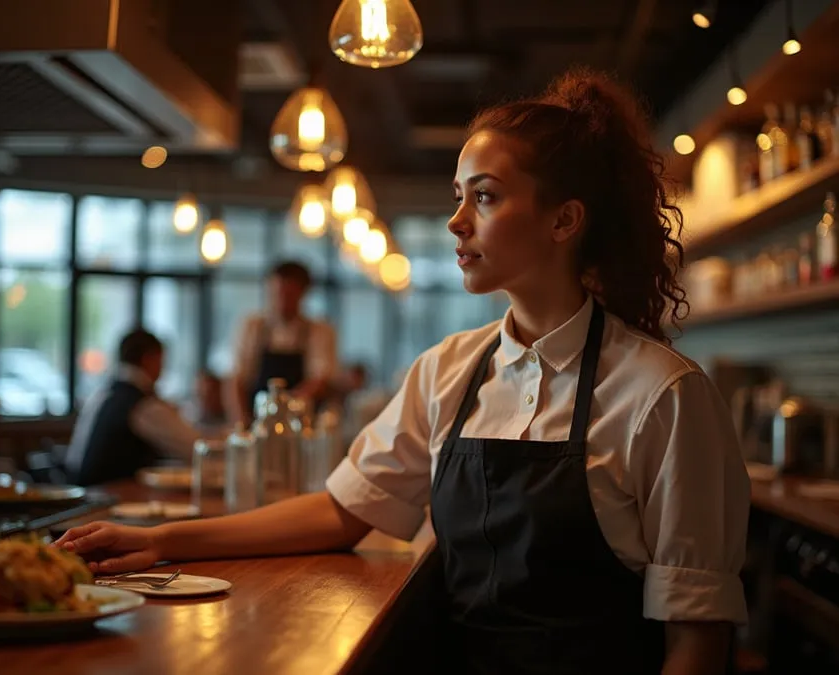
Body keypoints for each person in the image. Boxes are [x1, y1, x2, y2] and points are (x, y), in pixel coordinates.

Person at [57, 68, 750, 674]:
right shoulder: (448, 370)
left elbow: (696, 642)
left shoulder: (664, 395)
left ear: (564, 219)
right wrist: (159, 540)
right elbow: (340, 508)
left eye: (484, 196)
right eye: (458, 194)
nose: (455, 221)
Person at [65, 329, 215, 486]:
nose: (163, 369)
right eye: (161, 361)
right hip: (105, 498)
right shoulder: (140, 404)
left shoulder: (103, 393)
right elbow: (197, 449)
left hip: (82, 492)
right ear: (148, 359)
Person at [224, 261, 337, 428]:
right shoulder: (252, 327)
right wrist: (241, 422)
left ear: (304, 293)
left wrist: (283, 411)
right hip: (257, 423)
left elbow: (320, 381)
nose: (281, 300)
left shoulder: (319, 331)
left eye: (289, 294)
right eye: (276, 293)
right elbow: (236, 379)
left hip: (301, 425)